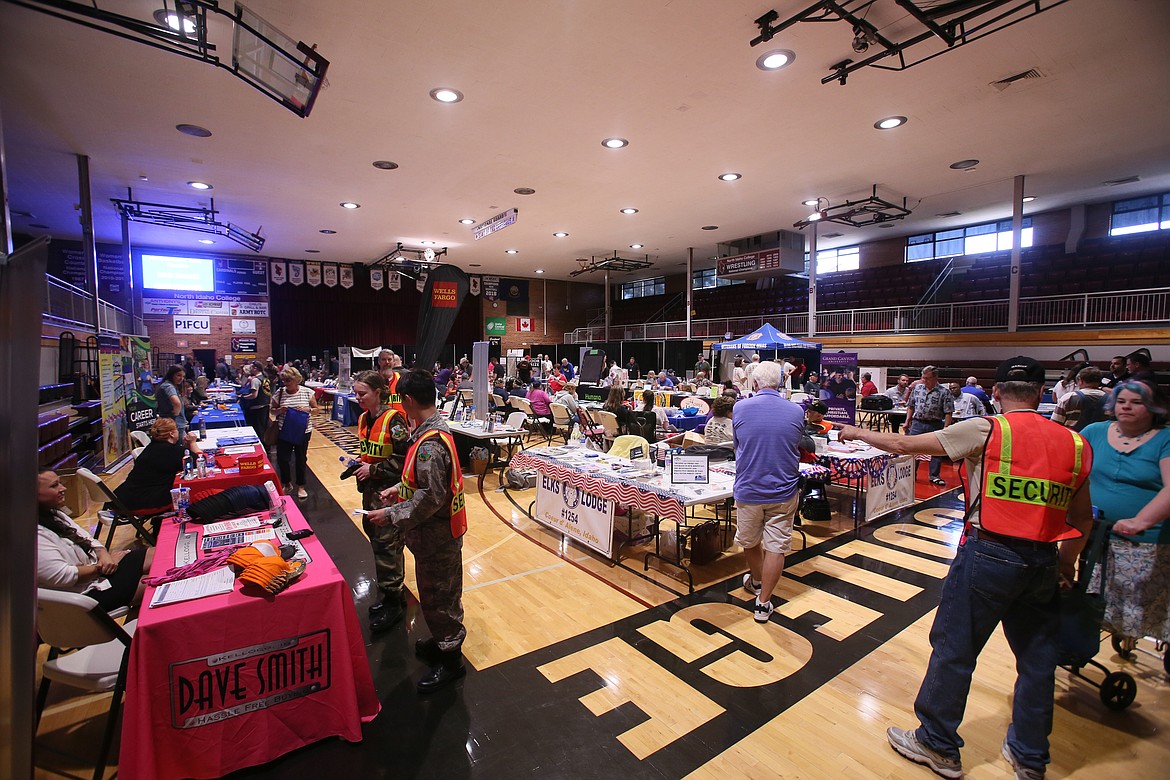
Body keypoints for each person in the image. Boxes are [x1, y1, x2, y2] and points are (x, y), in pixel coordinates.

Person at [838, 356, 1094, 780]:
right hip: (1044, 561)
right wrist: (1066, 565)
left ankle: (937, 745)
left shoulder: (988, 429)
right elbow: (1081, 518)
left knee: (955, 648)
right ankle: (1030, 757)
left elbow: (904, 446)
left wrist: (854, 431)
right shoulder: (1077, 443)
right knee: (1036, 661)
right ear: (1043, 393)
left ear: (995, 393)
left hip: (989, 553)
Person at [367, 370, 468, 693]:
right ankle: (442, 643)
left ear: (408, 400)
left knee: (440, 598)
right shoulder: (433, 431)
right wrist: (400, 488)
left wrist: (393, 513)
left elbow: (432, 496)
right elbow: (423, 483)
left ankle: (451, 659)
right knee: (435, 595)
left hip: (437, 537)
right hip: (435, 535)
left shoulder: (429, 443)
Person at [1079, 381, 1170, 655]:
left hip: (1146, 542)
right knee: (1096, 599)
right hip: (1096, 536)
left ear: (1153, 408)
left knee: (1141, 601)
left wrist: (1141, 520)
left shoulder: (1164, 438)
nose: (1126, 407)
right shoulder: (1094, 432)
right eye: (1121, 401)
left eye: (1136, 402)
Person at [731, 361, 805, 623]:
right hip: (783, 490)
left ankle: (759, 581)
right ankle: (763, 603)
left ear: (754, 383)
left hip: (749, 488)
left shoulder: (740, 408)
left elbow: (738, 446)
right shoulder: (796, 411)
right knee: (777, 547)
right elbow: (795, 443)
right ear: (781, 383)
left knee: (750, 541)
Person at [39, 468, 154, 613]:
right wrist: (102, 568)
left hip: (98, 571)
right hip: (85, 597)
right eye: (54, 486)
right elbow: (64, 576)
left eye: (60, 483)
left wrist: (104, 555)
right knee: (161, 581)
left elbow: (87, 538)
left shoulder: (54, 513)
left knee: (161, 556)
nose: (63, 488)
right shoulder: (32, 539)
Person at [351, 370, 411, 634]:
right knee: (378, 542)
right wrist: (360, 465)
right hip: (371, 493)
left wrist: (372, 470)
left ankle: (394, 601)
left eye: (362, 393)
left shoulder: (394, 419)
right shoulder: (364, 417)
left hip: (390, 495)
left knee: (388, 546)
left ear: (378, 392)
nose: (358, 397)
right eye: (355, 393)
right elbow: (370, 451)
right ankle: (389, 596)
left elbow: (404, 460)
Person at [115, 418, 202, 512]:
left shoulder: (152, 447)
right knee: (196, 495)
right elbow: (200, 462)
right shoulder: (172, 451)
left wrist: (187, 446)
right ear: (171, 434)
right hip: (142, 502)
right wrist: (193, 442)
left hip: (124, 498)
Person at [271, 366, 318, 499]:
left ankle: (301, 486)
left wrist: (306, 409)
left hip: (303, 431)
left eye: (288, 380)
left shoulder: (307, 392)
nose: (286, 383)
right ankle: (287, 483)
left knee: (301, 459)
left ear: (296, 380)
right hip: (284, 431)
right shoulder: (279, 393)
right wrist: (280, 410)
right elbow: (272, 411)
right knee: (283, 459)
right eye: (284, 380)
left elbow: (316, 410)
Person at [905, 366, 954, 486]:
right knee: (912, 449)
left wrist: (947, 427)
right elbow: (911, 405)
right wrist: (907, 421)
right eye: (923, 378)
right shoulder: (917, 388)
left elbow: (948, 411)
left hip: (935, 423)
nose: (924, 380)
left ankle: (934, 476)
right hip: (917, 423)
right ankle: (910, 474)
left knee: (936, 451)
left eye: (927, 378)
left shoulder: (944, 391)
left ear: (935, 377)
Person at [1050, 365, 1108, 430]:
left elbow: (1054, 425)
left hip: (1073, 438)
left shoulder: (1068, 398)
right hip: (1099, 438)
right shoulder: (1110, 399)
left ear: (1080, 380)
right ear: (1100, 381)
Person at [240, 362, 271, 442]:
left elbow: (254, 395)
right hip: (265, 406)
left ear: (255, 368)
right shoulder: (265, 378)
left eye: (251, 368)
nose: (250, 370)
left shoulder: (255, 380)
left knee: (258, 430)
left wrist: (243, 397)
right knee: (264, 429)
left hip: (257, 408)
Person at [154, 365, 188, 437]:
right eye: (178, 375)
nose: (181, 378)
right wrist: (176, 414)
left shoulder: (171, 385)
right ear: (171, 374)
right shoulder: (168, 386)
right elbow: (176, 402)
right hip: (174, 425)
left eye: (183, 376)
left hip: (177, 424)